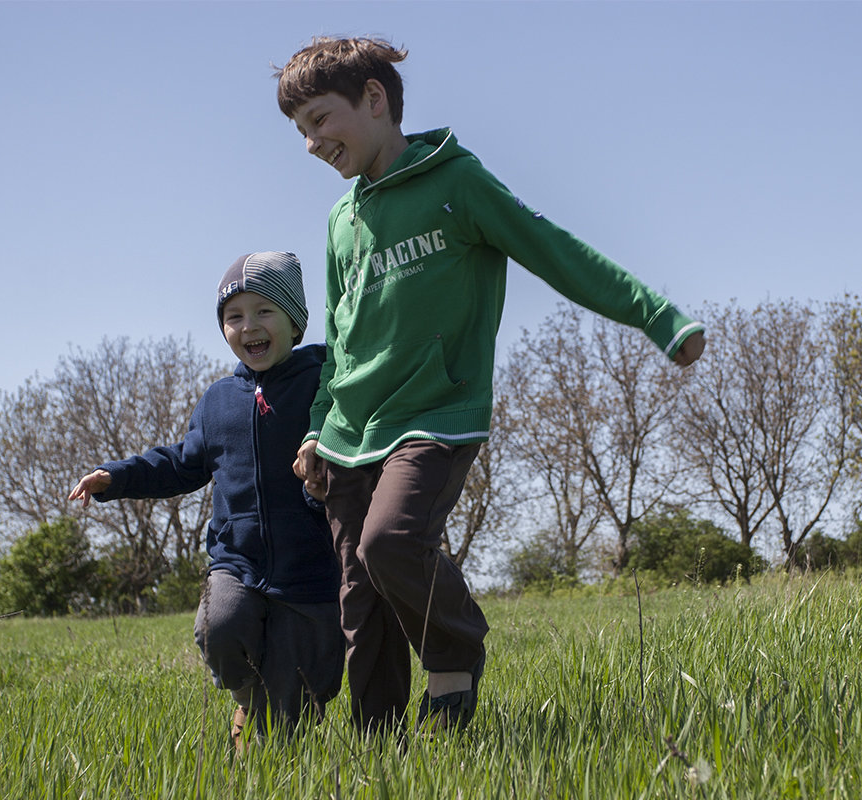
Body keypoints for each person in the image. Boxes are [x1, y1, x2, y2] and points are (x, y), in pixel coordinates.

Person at [275, 37, 706, 735]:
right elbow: (341, 335)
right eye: (300, 131)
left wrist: (657, 316)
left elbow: (554, 250)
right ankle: (379, 746)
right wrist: (317, 429)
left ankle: (455, 649)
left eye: (321, 120)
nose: (310, 142)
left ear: (375, 100)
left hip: (435, 415)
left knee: (391, 543)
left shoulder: (458, 184)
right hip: (350, 434)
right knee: (362, 601)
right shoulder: (341, 219)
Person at [68, 251, 344, 751]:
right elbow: (182, 462)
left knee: (290, 717)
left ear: (295, 322)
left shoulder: (324, 379)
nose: (248, 326)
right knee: (220, 628)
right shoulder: (217, 400)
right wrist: (118, 477)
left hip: (311, 567)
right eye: (233, 316)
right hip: (236, 560)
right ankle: (247, 697)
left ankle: (271, 732)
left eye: (265, 311)